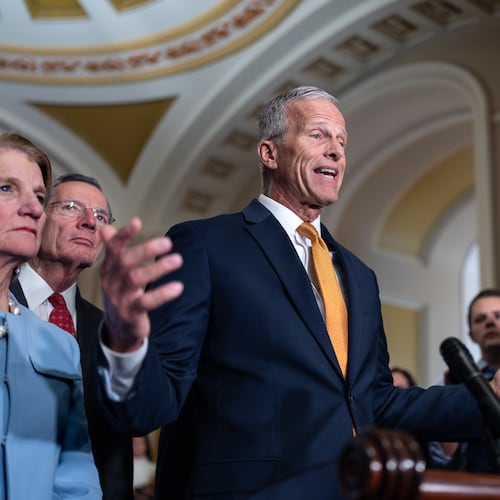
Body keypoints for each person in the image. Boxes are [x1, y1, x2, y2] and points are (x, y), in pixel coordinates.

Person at [96, 86, 500, 499]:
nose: (336, 151)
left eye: (342, 142)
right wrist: (127, 345)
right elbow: (152, 403)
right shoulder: (206, 245)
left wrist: (486, 398)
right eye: (318, 135)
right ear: (269, 153)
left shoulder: (359, 276)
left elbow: (373, 400)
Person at [10, 173, 134, 499]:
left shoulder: (113, 331)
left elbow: (130, 426)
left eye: (101, 217)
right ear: (37, 216)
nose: (90, 223)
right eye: (71, 207)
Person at [0, 131, 101, 498]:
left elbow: (75, 472)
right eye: (6, 189)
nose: (32, 207)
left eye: (39, 196)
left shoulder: (61, 346)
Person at [428, 288, 500, 473]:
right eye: (480, 319)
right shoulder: (447, 386)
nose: (490, 322)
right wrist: (455, 407)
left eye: (498, 315)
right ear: (471, 335)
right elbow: (445, 462)